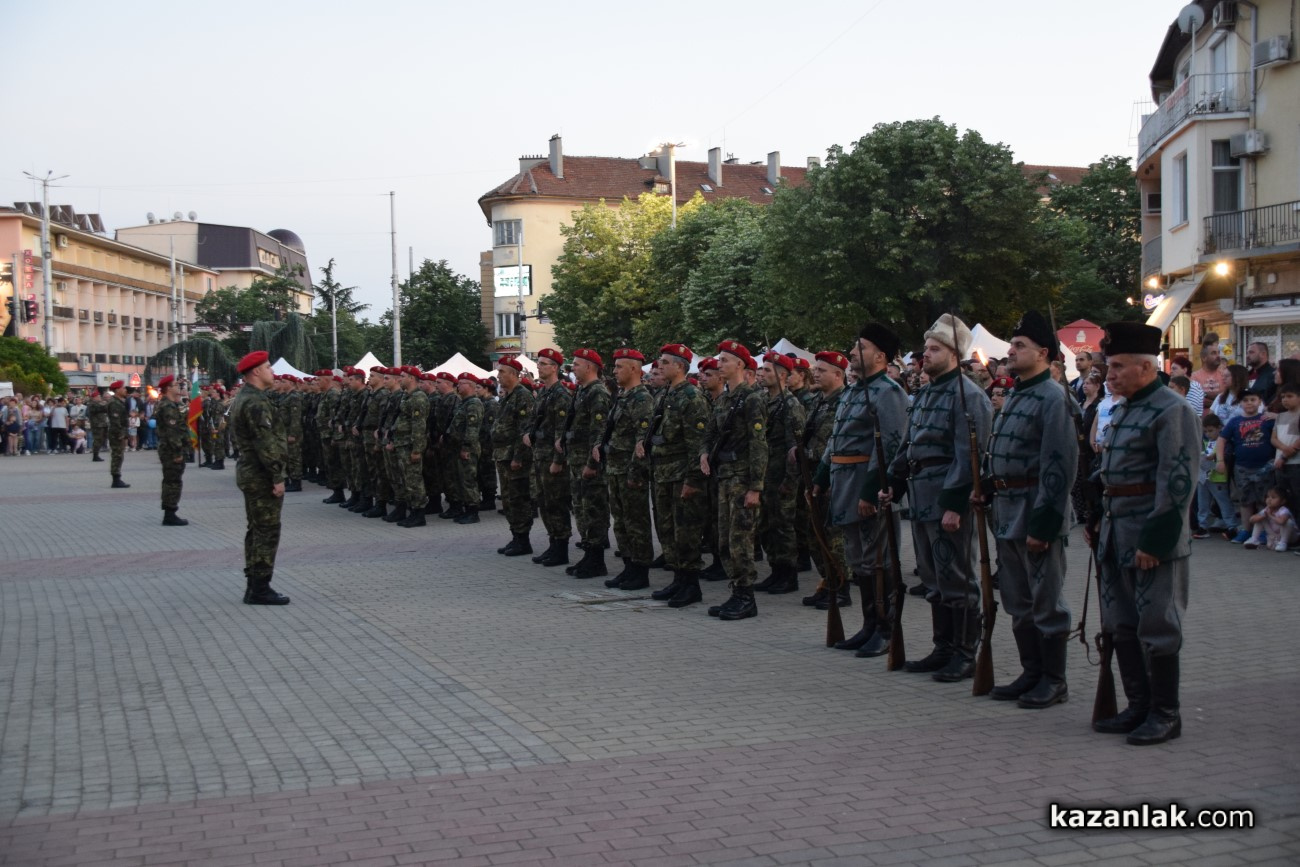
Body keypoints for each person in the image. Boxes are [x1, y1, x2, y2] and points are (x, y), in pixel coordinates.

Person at [1086, 321, 1199, 746]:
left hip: (1152, 536)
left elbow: (1178, 483)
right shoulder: (1126, 408)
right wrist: (1097, 518)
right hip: (1117, 532)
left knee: (1158, 624)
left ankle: (1165, 713)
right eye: (1109, 366)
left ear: (1147, 367)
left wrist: (1156, 541)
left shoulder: (1172, 410)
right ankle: (1138, 705)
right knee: (1122, 624)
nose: (1109, 374)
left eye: (1118, 366)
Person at [882, 314, 991, 682]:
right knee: (932, 576)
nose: (925, 354)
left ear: (954, 354)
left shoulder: (968, 396)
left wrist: (955, 503)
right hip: (920, 496)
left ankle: (964, 652)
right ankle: (942, 647)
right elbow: (909, 444)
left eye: (934, 349)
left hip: (946, 498)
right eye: (926, 348)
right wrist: (894, 481)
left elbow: (969, 456)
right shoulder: (926, 394)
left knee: (956, 575)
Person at [978, 311, 1078, 708]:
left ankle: (1054, 680)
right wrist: (988, 486)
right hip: (1007, 511)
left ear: (1044, 353)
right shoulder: (1017, 394)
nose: (1011, 351)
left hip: (1036, 511)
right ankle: (1031, 672)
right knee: (1018, 600)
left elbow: (1059, 464)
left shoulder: (1053, 398)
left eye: (1020, 346)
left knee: (1045, 599)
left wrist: (1045, 522)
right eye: (1012, 345)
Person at [813, 327, 907, 657]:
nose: (852, 352)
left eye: (861, 347)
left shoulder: (889, 392)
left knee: (878, 559)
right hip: (845, 485)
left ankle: (886, 628)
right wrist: (822, 476)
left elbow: (892, 446)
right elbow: (837, 438)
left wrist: (872, 490)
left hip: (867, 489)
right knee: (859, 560)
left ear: (880, 356)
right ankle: (869, 625)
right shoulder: (854, 391)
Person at [700, 340, 768, 621]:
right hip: (724, 477)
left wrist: (756, 487)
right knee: (725, 540)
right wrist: (704, 453)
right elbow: (710, 433)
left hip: (742, 478)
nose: (719, 365)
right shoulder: (724, 399)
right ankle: (736, 591)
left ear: (740, 364)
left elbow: (759, 444)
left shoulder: (752, 398)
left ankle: (746, 597)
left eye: (725, 360)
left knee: (740, 539)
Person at [643, 344, 709, 603]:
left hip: (681, 475)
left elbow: (697, 443)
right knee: (668, 530)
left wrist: (692, 480)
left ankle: (691, 585)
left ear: (679, 366)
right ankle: (678, 579)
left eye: (665, 362)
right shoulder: (665, 394)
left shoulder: (691, 397)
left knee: (686, 531)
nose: (659, 366)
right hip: (663, 473)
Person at [228, 351, 290, 605]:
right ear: (256, 372)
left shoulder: (246, 397)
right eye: (267, 367)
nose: (272, 372)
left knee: (256, 529)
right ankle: (260, 588)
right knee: (266, 531)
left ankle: (255, 584)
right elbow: (265, 443)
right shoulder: (255, 402)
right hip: (261, 475)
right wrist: (277, 476)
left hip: (252, 471)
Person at [600, 348, 656, 591]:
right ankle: (628, 566)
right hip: (615, 469)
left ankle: (640, 570)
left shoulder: (642, 399)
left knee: (636, 522)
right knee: (621, 522)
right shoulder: (622, 396)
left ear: (634, 369)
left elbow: (643, 441)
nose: (614, 371)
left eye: (619, 366)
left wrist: (636, 472)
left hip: (630, 472)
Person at [752, 351, 806, 594]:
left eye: (767, 370)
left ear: (782, 375)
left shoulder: (790, 404)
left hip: (781, 476)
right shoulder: (763, 400)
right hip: (764, 475)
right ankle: (775, 571)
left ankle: (788, 574)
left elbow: (795, 448)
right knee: (766, 526)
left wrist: (790, 481)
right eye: (762, 369)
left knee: (783, 526)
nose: (762, 374)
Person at [564, 349, 612, 577]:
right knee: (582, 510)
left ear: (590, 367)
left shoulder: (598, 392)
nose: (573, 368)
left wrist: (592, 464)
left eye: (576, 364)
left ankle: (596, 560)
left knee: (594, 510)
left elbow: (599, 431)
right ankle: (588, 554)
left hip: (588, 463)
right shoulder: (583, 391)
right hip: (577, 460)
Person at [527, 349, 574, 564]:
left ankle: (561, 548)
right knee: (545, 502)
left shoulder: (561, 394)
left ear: (554, 368)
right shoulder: (544, 392)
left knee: (556, 503)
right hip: (540, 456)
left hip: (552, 459)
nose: (539, 366)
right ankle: (553, 543)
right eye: (539, 363)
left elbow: (561, 431)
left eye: (543, 363)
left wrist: (558, 460)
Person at [1216, 391, 1276, 544]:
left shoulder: (1266, 419)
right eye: (1245, 400)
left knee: (1264, 500)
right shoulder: (1235, 421)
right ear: (1240, 403)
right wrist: (1220, 460)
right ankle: (1246, 530)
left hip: (1265, 466)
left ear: (1259, 401)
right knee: (1245, 500)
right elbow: (1221, 440)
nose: (1249, 403)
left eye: (1253, 399)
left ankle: (1264, 531)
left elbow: (1279, 432)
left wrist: (1277, 416)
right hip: (1242, 466)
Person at [492, 357, 536, 556]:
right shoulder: (508, 397)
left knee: (518, 499)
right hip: (503, 456)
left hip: (515, 458)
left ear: (513, 374)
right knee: (508, 499)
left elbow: (524, 429)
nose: (498, 376)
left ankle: (523, 540)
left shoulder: (522, 396)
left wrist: (518, 457)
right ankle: (516, 536)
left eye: (502, 372)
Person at [155, 375, 189, 526]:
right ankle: (170, 514)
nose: (178, 387)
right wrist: (177, 452)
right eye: (175, 385)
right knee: (173, 482)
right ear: (168, 388)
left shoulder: (170, 404)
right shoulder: (167, 407)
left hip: (169, 449)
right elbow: (172, 432)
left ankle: (169, 511)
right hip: (171, 451)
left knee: (171, 480)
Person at [1194, 414, 1236, 539]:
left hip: (1218, 477)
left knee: (1223, 502)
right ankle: (1202, 526)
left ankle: (1231, 526)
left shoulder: (1224, 441)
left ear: (1219, 428)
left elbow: (1228, 456)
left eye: (1211, 431)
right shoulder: (1203, 441)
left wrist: (1215, 457)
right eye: (1205, 431)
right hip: (1203, 477)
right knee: (1202, 503)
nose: (1208, 434)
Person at [1272, 382, 1300, 516]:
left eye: (1289, 396)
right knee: (1284, 498)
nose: (1285, 400)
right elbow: (1273, 438)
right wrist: (1284, 449)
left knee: (1297, 497)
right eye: (1283, 397)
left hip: (1296, 463)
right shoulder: (1280, 416)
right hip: (1280, 464)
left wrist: (1284, 456)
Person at [1245, 486, 1297, 551]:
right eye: (1268, 497)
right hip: (1275, 535)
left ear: (1282, 501)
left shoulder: (1283, 510)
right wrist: (1263, 516)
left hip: (1291, 536)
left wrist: (1270, 515)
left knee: (1288, 522)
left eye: (1273, 497)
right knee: (1259, 519)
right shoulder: (1267, 510)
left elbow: (1281, 521)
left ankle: (1283, 543)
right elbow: (1251, 520)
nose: (1269, 499)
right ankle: (1254, 539)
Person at [1192, 344, 1231, 412]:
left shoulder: (1225, 375)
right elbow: (1196, 401)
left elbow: (1229, 398)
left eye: (1218, 353)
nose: (1218, 356)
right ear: (1204, 358)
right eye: (1213, 353)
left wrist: (1207, 396)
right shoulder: (1195, 376)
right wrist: (1217, 400)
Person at [106, 381, 130, 487]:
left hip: (120, 432)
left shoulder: (119, 402)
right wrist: (121, 434)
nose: (125, 390)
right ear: (117, 390)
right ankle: (116, 479)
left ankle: (117, 478)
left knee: (119, 456)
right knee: (117, 456)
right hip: (117, 434)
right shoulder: (114, 403)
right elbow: (115, 421)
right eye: (123, 388)